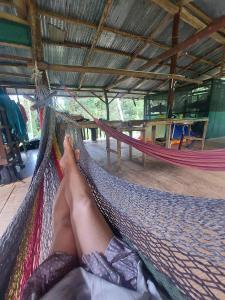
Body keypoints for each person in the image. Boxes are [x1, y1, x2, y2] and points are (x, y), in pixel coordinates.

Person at [22, 136, 162, 300]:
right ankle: (69, 165)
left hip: (58, 289)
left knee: (64, 224)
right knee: (84, 205)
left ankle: (68, 168)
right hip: (117, 282)